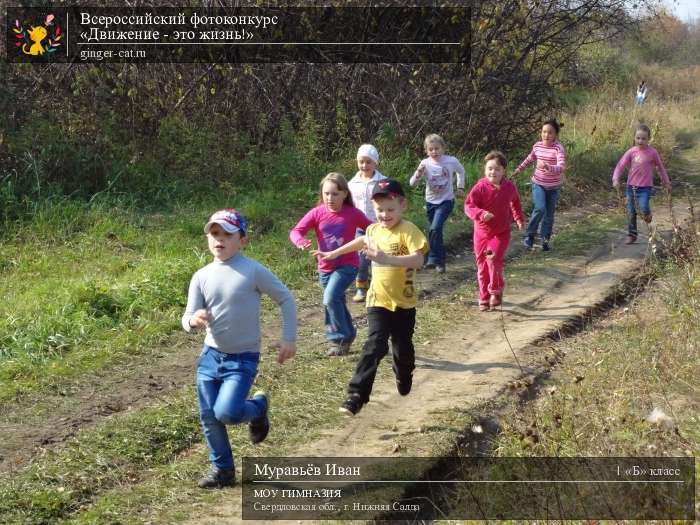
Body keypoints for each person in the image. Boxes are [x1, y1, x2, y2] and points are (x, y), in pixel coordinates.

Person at [183, 209, 297, 489]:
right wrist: (193, 321)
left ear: (243, 240)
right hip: (210, 356)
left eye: (227, 234)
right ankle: (223, 471)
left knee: (228, 413)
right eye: (214, 233)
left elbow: (286, 299)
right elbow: (186, 316)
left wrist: (289, 338)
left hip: (243, 358)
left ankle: (258, 407)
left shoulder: (252, 270)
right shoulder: (201, 276)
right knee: (210, 416)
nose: (219, 239)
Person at [312, 179, 428, 416]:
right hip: (378, 301)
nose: (384, 215)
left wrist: (387, 259)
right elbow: (362, 240)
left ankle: (403, 372)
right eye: (379, 210)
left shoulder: (409, 230)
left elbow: (418, 260)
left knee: (403, 350)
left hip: (404, 303)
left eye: (390, 209)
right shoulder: (374, 229)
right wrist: (333, 253)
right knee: (374, 345)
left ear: (402, 205)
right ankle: (356, 395)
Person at [290, 173, 371, 356]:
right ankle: (348, 334)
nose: (330, 198)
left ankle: (337, 339)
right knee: (334, 301)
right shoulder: (317, 212)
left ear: (344, 194)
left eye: (335, 194)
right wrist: (300, 242)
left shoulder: (353, 213)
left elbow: (372, 228)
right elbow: (296, 231)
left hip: (348, 265)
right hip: (325, 267)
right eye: (326, 193)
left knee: (329, 298)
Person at [465, 151, 525, 311]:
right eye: (490, 168)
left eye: (497, 169)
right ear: (485, 170)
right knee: (482, 266)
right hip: (481, 234)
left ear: (504, 171)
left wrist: (519, 219)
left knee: (492, 259)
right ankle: (484, 297)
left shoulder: (509, 187)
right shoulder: (480, 187)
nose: (493, 172)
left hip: (501, 233)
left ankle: (496, 291)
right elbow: (468, 206)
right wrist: (481, 214)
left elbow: (515, 203)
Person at [409, 133, 465, 273]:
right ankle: (440, 262)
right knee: (435, 231)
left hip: (446, 201)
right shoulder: (425, 163)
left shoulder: (451, 161)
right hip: (430, 202)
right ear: (426, 151)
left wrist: (460, 187)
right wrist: (418, 173)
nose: (434, 152)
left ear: (443, 148)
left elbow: (461, 171)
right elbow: (412, 184)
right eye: (431, 149)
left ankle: (434, 259)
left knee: (435, 228)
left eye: (437, 148)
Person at [512, 118, 566, 252]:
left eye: (550, 133)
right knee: (540, 208)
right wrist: (519, 169)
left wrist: (548, 167)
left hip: (553, 187)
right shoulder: (537, 146)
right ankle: (530, 236)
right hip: (538, 184)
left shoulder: (558, 148)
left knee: (549, 215)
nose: (546, 135)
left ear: (555, 135)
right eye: (544, 132)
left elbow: (561, 167)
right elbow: (530, 159)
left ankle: (545, 239)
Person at [612, 124, 671, 244]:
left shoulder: (652, 152)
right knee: (630, 211)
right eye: (638, 138)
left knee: (643, 207)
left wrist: (667, 182)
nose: (640, 141)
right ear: (634, 138)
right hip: (631, 187)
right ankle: (632, 235)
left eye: (644, 138)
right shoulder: (631, 152)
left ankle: (648, 215)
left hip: (645, 188)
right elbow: (620, 165)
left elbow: (660, 168)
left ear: (648, 139)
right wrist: (615, 179)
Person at [348, 144, 386, 303]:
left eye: (368, 162)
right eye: (361, 162)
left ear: (375, 163)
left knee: (379, 258)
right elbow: (349, 204)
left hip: (381, 226)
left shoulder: (382, 181)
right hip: (361, 228)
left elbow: (389, 201)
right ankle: (361, 287)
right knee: (362, 258)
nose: (364, 166)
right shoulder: (352, 183)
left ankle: (381, 287)